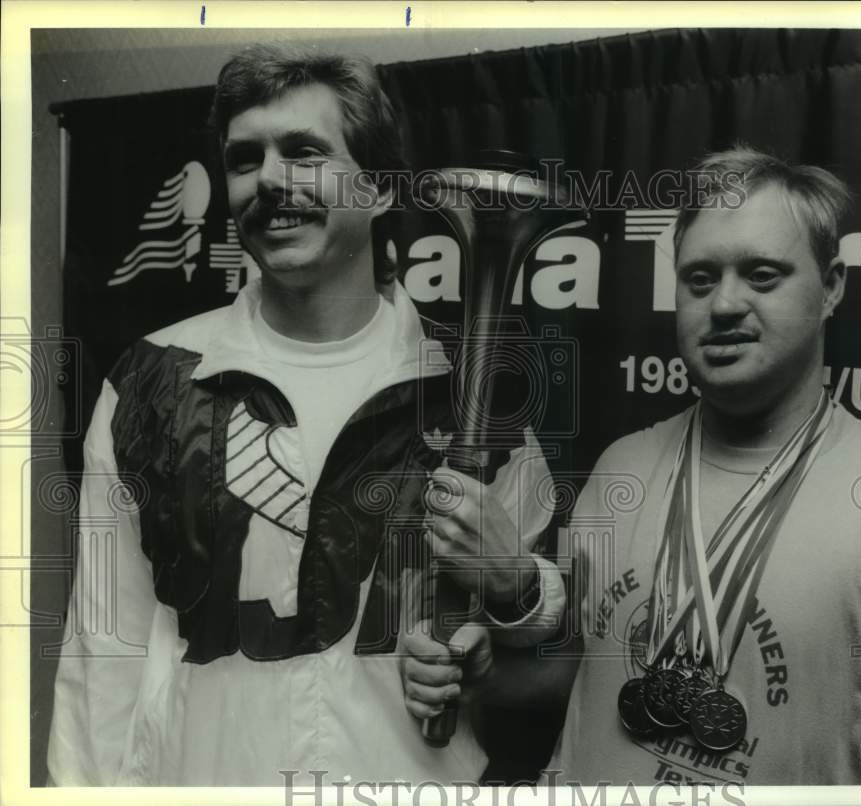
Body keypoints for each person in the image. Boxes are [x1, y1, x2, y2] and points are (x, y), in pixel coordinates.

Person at [46, 44, 565, 786]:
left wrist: (495, 626)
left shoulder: (477, 399)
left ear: (382, 189)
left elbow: (546, 659)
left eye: (305, 152)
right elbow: (103, 659)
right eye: (245, 158)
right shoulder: (149, 382)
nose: (271, 180)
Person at [401, 146, 861, 785]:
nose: (725, 304)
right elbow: (583, 671)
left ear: (831, 286)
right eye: (700, 278)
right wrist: (487, 677)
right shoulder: (622, 467)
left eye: (763, 275)